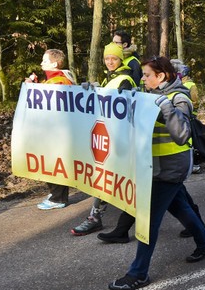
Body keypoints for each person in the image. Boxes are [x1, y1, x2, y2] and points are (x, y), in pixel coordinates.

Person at [108, 57, 205, 290]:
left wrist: (165, 106)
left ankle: (138, 273)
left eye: (147, 75)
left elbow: (182, 134)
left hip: (171, 167)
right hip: (155, 166)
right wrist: (97, 95)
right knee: (180, 207)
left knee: (148, 220)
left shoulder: (179, 98)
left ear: (161, 76)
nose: (143, 78)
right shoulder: (150, 94)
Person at [71, 43, 137, 235]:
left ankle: (96, 217)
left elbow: (121, 108)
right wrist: (89, 92)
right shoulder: (111, 78)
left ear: (120, 60)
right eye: (107, 58)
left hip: (118, 138)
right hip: (106, 136)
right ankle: (96, 217)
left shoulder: (125, 79)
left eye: (114, 58)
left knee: (109, 178)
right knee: (106, 177)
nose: (110, 62)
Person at [26, 49, 76, 210]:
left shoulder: (59, 82)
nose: (41, 63)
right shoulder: (53, 80)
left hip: (55, 131)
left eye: (45, 61)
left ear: (54, 64)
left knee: (54, 163)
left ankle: (58, 198)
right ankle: (56, 194)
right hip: (51, 130)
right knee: (50, 162)